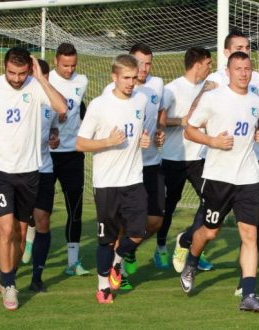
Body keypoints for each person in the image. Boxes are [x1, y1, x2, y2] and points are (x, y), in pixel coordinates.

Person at [0, 47, 67, 310]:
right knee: (6, 229)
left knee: (21, 236)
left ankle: (6, 276)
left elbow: (61, 107)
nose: (16, 78)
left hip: (29, 171)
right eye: (12, 72)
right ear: (4, 66)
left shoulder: (35, 86)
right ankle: (9, 285)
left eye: (22, 73)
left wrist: (41, 78)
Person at [180, 51, 259, 312]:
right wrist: (212, 141)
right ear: (228, 72)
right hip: (218, 177)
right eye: (238, 68)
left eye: (247, 68)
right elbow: (189, 128)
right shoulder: (213, 98)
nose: (243, 73)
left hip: (248, 177)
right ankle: (192, 261)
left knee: (250, 235)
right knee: (210, 231)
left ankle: (249, 295)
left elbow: (256, 129)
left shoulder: (257, 101)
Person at [76, 54, 151, 304]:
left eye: (134, 77)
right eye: (126, 78)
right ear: (114, 77)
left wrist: (147, 140)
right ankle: (103, 287)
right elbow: (79, 143)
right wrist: (108, 141)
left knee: (139, 232)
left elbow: (141, 132)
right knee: (106, 239)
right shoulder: (99, 105)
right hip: (106, 183)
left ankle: (118, 260)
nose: (131, 83)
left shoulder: (141, 100)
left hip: (133, 179)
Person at [101, 43, 165, 290]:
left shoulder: (156, 86)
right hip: (126, 166)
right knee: (123, 224)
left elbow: (159, 114)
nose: (144, 69)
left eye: (148, 63)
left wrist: (159, 132)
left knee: (156, 220)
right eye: (139, 63)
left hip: (151, 162)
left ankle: (127, 251)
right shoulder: (112, 91)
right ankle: (119, 270)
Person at [158, 47, 213, 271]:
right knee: (167, 207)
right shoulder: (171, 89)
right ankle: (160, 248)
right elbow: (160, 121)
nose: (211, 68)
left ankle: (190, 246)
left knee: (210, 201)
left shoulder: (211, 90)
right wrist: (181, 121)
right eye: (208, 63)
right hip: (173, 158)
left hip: (199, 158)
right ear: (198, 64)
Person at [40, 42, 89, 276]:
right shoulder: (45, 82)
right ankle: (31, 242)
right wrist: (50, 135)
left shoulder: (82, 82)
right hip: (47, 156)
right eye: (64, 65)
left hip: (73, 154)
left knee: (75, 209)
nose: (69, 70)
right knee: (41, 210)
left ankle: (72, 262)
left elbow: (80, 110)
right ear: (56, 61)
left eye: (73, 65)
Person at [27, 59, 61, 293]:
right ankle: (7, 274)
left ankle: (37, 276)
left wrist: (54, 137)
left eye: (45, 77)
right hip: (20, 170)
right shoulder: (20, 99)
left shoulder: (51, 101)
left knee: (43, 221)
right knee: (17, 227)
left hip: (45, 169)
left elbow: (55, 127)